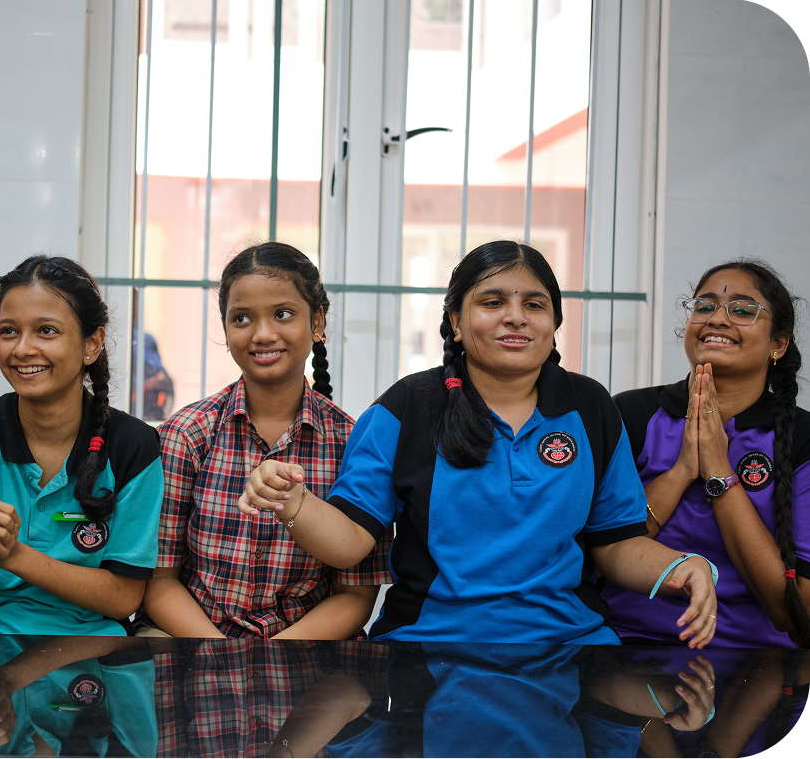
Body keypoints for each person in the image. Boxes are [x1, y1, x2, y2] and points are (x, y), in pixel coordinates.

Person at [239, 240, 719, 646]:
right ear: (455, 321)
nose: (516, 318)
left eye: (534, 305)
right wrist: (293, 501)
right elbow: (349, 544)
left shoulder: (589, 406)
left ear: (554, 322)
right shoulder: (406, 407)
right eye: (492, 303)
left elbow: (616, 545)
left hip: (571, 648)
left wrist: (683, 566)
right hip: (428, 649)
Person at [137, 241, 390, 639]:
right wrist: (223, 654)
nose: (263, 334)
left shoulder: (352, 443)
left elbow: (355, 595)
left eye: (283, 314)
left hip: (307, 647)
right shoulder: (185, 435)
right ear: (225, 330)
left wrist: (275, 654)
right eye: (242, 318)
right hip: (195, 639)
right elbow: (160, 580)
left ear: (317, 322)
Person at [0, 255, 164, 635]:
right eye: (9, 331)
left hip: (88, 646)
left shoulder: (132, 446)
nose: (22, 349)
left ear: (92, 343)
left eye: (46, 331)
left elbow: (124, 597)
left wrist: (18, 556)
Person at [603, 260, 810, 648]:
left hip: (756, 658)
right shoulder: (631, 413)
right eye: (704, 306)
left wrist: (719, 473)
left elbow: (798, 614)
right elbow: (603, 551)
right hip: (627, 643)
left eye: (743, 310)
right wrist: (682, 471)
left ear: (778, 344)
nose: (716, 319)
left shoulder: (802, 437)